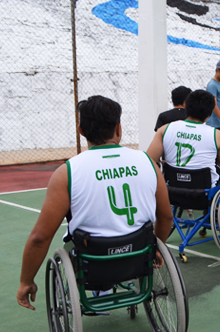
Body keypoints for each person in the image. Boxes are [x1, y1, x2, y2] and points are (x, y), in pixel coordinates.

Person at [17, 96, 173, 310]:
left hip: (92, 263)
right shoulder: (148, 163)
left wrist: (26, 281)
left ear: (81, 131)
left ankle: (100, 291)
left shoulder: (67, 173)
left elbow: (40, 237)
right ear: (119, 128)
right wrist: (156, 246)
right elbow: (166, 217)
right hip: (137, 258)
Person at [147, 89, 220, 186]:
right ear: (209, 114)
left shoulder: (164, 129)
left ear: (187, 107)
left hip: (173, 188)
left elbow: (150, 160)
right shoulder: (216, 134)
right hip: (203, 191)